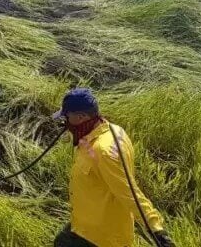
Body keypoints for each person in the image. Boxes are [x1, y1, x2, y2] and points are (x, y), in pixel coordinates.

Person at [53, 88, 174, 247]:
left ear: (82, 117)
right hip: (85, 223)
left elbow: (129, 192)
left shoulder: (104, 152)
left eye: (67, 117)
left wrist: (157, 231)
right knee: (61, 242)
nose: (65, 121)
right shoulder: (105, 131)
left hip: (101, 237)